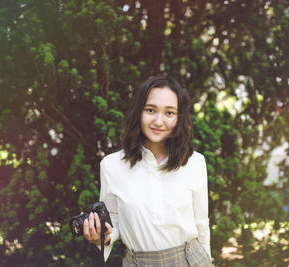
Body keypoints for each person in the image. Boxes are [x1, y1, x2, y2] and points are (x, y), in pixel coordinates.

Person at [83, 76, 211, 266]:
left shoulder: (195, 162)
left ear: (179, 118)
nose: (159, 121)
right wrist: (103, 236)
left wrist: (207, 259)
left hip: (190, 260)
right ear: (138, 112)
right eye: (150, 110)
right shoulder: (111, 166)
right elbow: (114, 220)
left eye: (169, 113)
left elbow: (201, 223)